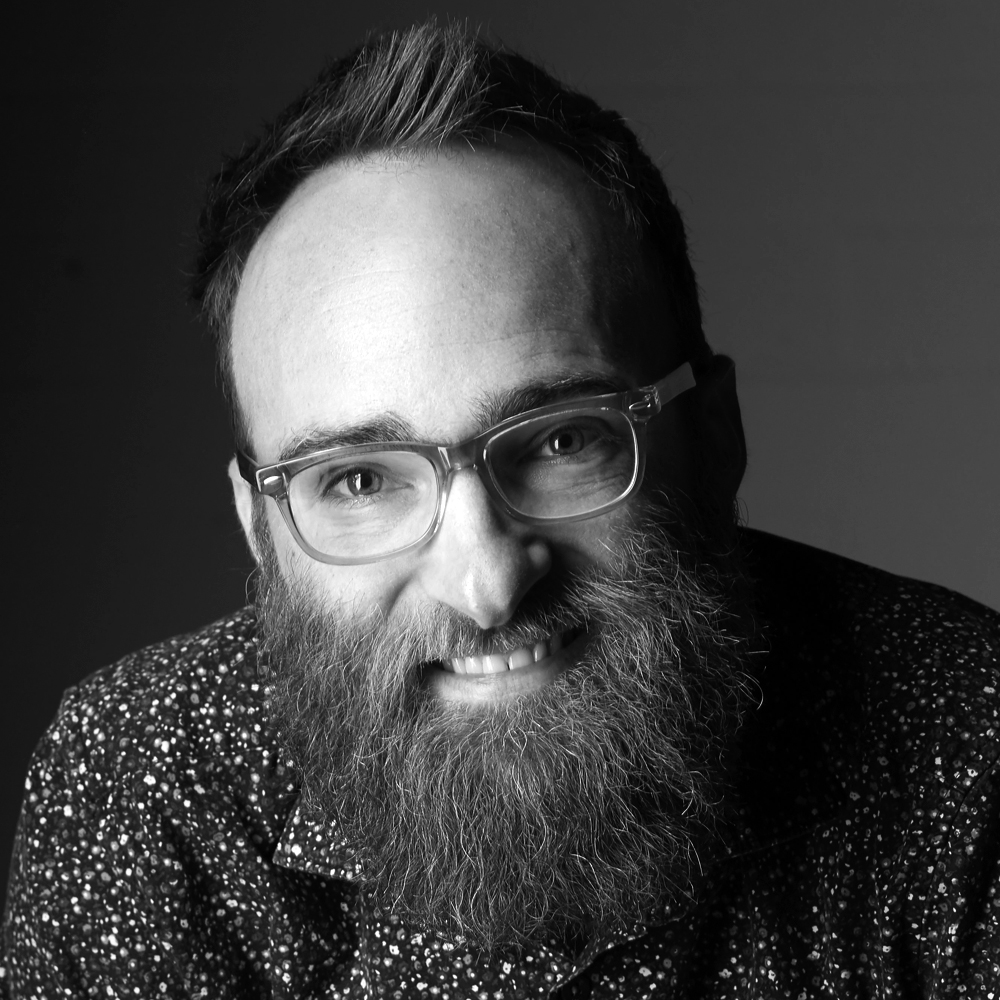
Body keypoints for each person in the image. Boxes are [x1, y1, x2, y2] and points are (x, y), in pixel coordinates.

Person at [2, 20, 997, 999]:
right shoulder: (142, 783)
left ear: (713, 435)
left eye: (561, 441)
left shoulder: (969, 730)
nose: (487, 584)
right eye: (359, 480)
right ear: (260, 527)